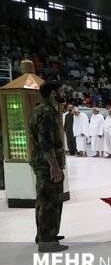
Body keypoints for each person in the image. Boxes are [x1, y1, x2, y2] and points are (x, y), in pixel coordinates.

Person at [30, 81, 68, 253]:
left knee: (44, 200)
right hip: (47, 164)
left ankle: (46, 234)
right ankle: (47, 242)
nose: (63, 94)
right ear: (53, 93)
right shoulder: (46, 113)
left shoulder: (41, 109)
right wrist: (54, 166)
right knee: (50, 202)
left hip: (42, 162)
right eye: (61, 91)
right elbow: (46, 143)